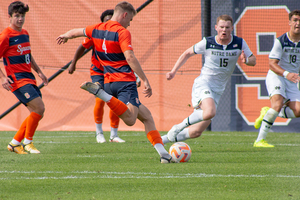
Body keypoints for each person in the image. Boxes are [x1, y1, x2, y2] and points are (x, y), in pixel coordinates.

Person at [56, 1, 176, 163]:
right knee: (131, 119)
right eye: (130, 20)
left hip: (109, 81)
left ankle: (164, 155)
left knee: (147, 117)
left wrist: (65, 35)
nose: (129, 24)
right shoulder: (122, 32)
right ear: (124, 15)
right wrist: (145, 79)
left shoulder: (96, 28)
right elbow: (130, 57)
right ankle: (101, 94)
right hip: (125, 82)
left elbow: (77, 32)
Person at [161, 15, 256, 144]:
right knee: (210, 112)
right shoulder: (208, 42)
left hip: (218, 90)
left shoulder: (239, 43)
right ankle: (178, 127)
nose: (224, 30)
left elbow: (253, 60)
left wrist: (247, 61)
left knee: (196, 132)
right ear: (216, 28)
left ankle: (161, 141)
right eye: (221, 27)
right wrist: (173, 71)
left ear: (232, 28)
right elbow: (187, 53)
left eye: (227, 27)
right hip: (203, 84)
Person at [68, 9, 137, 143]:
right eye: (107, 21)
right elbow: (81, 47)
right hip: (98, 71)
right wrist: (73, 63)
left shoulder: (119, 35)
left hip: (113, 71)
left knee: (116, 102)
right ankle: (99, 133)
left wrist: (136, 76)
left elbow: (128, 57)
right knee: (100, 100)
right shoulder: (97, 33)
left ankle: (113, 135)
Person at [0, 1, 48, 154]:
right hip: (17, 80)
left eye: (22, 16)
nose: (20, 19)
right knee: (39, 108)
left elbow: (28, 54)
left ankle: (14, 143)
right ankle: (28, 142)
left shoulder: (25, 33)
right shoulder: (6, 35)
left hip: (29, 77)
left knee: (37, 112)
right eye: (16, 16)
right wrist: (2, 78)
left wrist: (39, 71)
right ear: (9, 17)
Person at [253, 10, 300, 148]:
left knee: (298, 111)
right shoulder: (281, 41)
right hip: (277, 76)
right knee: (278, 103)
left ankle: (268, 112)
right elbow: (272, 64)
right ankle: (259, 141)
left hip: (292, 81)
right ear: (290, 22)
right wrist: (287, 74)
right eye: (295, 20)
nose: (298, 23)